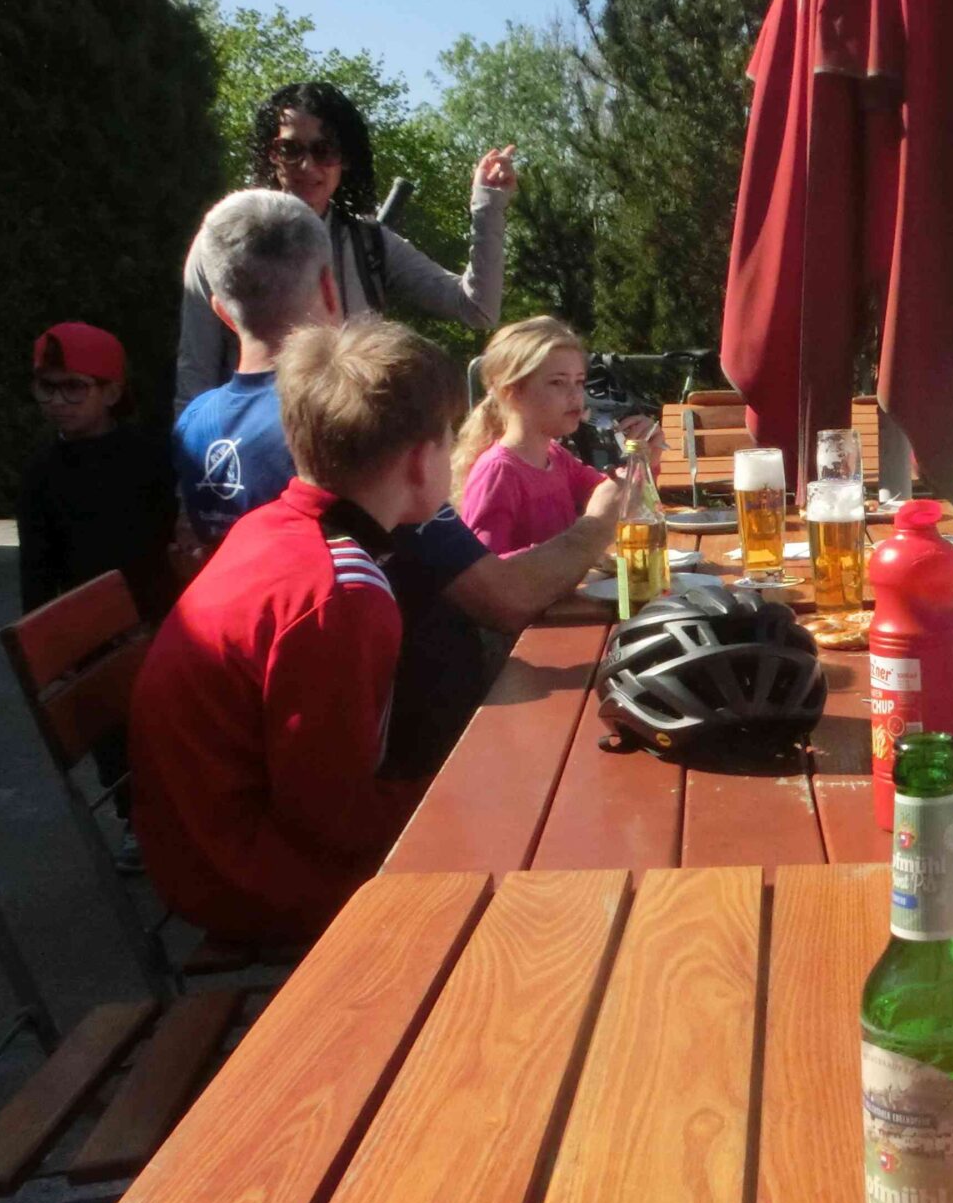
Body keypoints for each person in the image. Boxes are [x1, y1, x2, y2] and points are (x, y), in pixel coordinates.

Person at [170, 189, 621, 782]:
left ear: (222, 312)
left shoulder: (194, 425)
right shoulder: (348, 419)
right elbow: (505, 597)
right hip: (409, 739)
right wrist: (601, 522)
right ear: (330, 287)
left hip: (264, 733)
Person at [129, 319, 458, 944]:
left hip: (198, 846)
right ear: (421, 462)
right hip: (245, 876)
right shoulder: (340, 595)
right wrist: (455, 798)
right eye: (450, 439)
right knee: (514, 847)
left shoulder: (268, 526)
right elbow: (331, 820)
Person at [175, 80, 514, 411]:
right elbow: (195, 378)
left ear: (346, 159)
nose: (307, 166)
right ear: (271, 154)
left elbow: (478, 309)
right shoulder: (222, 241)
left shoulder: (371, 244)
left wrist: (488, 204)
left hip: (352, 441)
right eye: (290, 150)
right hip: (253, 442)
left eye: (324, 150)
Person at [15, 321, 179, 872]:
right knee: (111, 731)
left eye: (73, 387)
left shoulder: (150, 455)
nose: (57, 402)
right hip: (89, 631)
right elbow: (37, 567)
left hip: (159, 615)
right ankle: (135, 820)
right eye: (47, 387)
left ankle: (181, 815)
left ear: (110, 392)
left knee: (168, 725)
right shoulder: (40, 473)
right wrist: (45, 644)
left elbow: (173, 534)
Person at [452, 316, 613, 556]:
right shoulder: (498, 472)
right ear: (511, 392)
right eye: (557, 382)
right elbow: (486, 570)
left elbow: (614, 497)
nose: (575, 394)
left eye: (579, 381)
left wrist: (643, 455)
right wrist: (579, 542)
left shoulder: (555, 456)